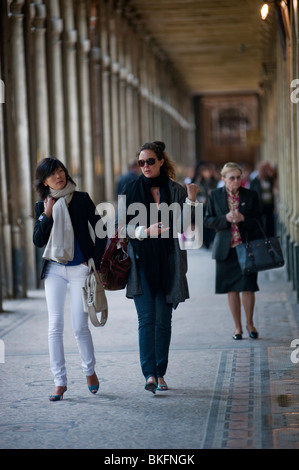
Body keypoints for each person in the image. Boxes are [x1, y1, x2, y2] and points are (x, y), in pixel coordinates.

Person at [117, 141, 198, 393]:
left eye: (150, 161)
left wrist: (192, 200)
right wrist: (144, 231)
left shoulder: (175, 190)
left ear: (161, 161)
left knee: (163, 321)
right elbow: (121, 229)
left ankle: (160, 372)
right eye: (141, 162)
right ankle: (149, 374)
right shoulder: (129, 190)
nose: (146, 166)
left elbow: (186, 226)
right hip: (140, 264)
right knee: (146, 320)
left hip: (168, 263)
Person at [33, 157, 107, 401]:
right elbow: (38, 240)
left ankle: (89, 371)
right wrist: (47, 214)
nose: (58, 176)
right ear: (44, 181)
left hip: (79, 270)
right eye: (52, 173)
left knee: (79, 326)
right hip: (54, 269)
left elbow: (101, 231)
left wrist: (93, 259)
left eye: (61, 171)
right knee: (54, 327)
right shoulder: (42, 205)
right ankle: (59, 381)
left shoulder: (82, 198)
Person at [204, 162, 263, 340]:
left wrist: (244, 218)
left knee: (248, 287)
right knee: (231, 289)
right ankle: (237, 327)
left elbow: (260, 221)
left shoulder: (251, 195)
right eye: (232, 178)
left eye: (238, 177)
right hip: (225, 249)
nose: (236, 181)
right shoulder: (214, 196)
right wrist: (225, 219)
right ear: (223, 179)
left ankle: (250, 324)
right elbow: (207, 220)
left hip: (247, 248)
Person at [250, 161, 276, 237]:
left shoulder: (269, 179)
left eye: (265, 170)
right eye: (262, 170)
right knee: (261, 226)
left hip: (269, 206)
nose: (264, 171)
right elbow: (252, 194)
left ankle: (270, 240)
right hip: (259, 207)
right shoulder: (254, 181)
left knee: (270, 225)